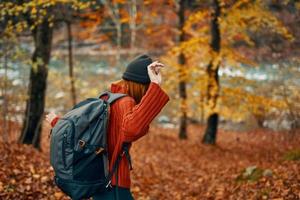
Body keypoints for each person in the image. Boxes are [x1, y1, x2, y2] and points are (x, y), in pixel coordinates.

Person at [45, 54, 170, 200]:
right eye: (147, 89)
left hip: (100, 177)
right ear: (142, 86)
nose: (147, 93)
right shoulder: (125, 102)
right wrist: (155, 86)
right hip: (113, 183)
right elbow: (132, 129)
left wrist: (57, 122)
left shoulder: (109, 99)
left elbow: (89, 131)